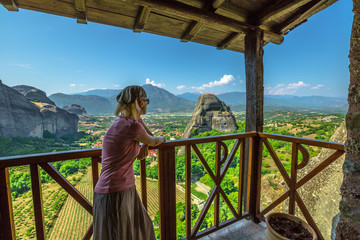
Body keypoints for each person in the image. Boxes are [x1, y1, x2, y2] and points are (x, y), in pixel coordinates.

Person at [93, 85, 165, 240]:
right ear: (140, 103)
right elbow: (154, 140)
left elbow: (147, 138)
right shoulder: (132, 126)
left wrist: (145, 142)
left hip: (122, 188)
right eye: (147, 101)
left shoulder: (126, 122)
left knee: (143, 229)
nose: (147, 104)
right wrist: (163, 139)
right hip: (114, 191)